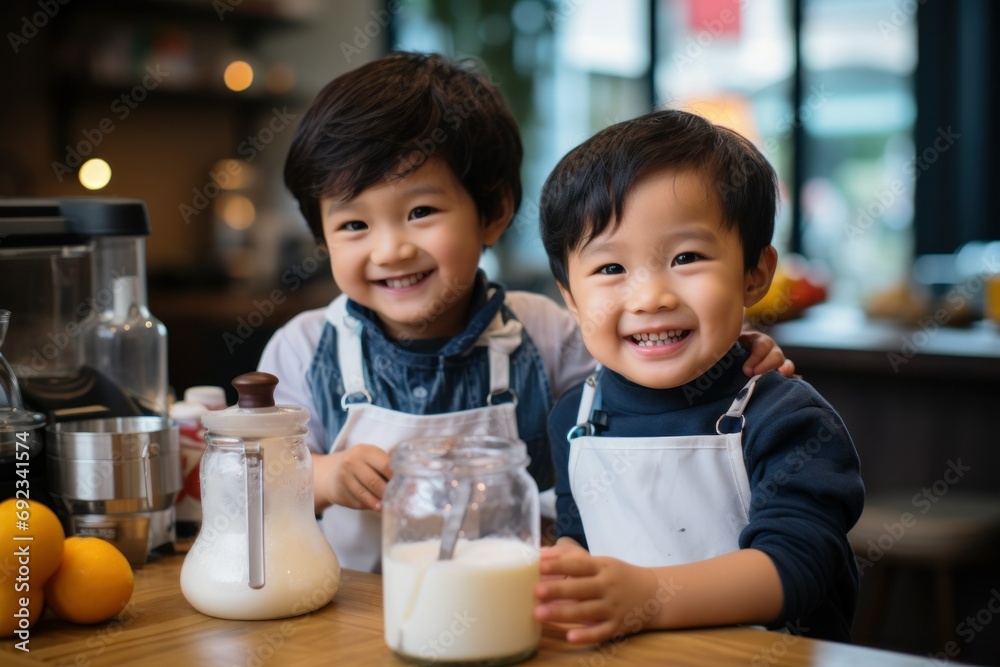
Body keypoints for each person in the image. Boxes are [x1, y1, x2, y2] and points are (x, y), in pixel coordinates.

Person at [258, 52, 792, 573]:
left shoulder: (548, 334)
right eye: (354, 225)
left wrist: (730, 364)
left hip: (523, 603)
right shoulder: (304, 349)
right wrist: (324, 477)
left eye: (420, 212)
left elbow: (653, 387)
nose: (390, 249)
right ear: (322, 237)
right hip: (358, 619)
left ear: (492, 214)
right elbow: (252, 485)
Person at [534, 109, 864, 644]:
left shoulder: (786, 419)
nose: (651, 298)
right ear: (570, 297)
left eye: (686, 257)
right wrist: (566, 579)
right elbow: (580, 536)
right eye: (610, 268)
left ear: (755, 274)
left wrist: (646, 598)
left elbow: (797, 568)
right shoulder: (573, 418)